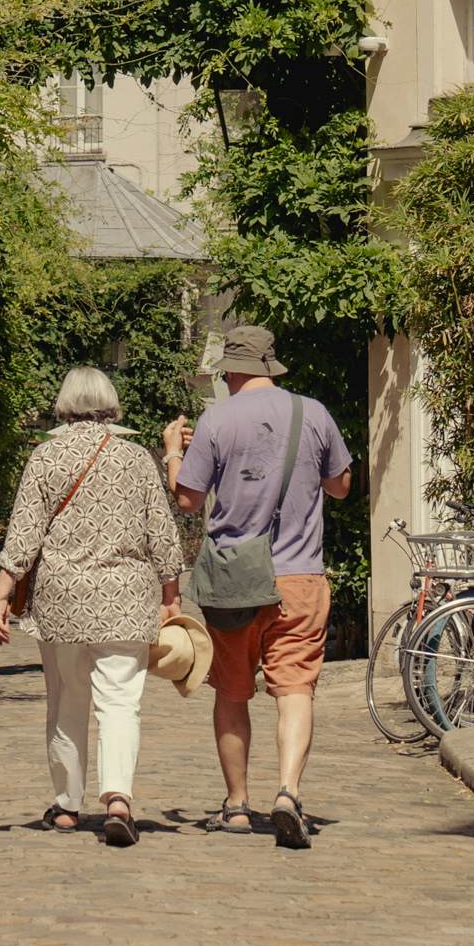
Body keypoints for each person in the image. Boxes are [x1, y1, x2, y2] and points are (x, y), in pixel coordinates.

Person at [164, 325, 353, 850]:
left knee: (232, 690)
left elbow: (188, 501)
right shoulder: (313, 413)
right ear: (271, 367)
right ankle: (288, 793)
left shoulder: (216, 418)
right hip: (300, 576)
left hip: (234, 580)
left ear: (230, 370)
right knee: (294, 690)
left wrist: (173, 455)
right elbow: (340, 487)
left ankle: (236, 806)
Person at [0, 365, 182, 846]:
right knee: (121, 703)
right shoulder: (137, 458)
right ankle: (118, 798)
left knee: (66, 701)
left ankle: (68, 805)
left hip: (63, 600)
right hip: (126, 598)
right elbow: (162, 532)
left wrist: (2, 591)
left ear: (64, 404)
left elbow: (24, 532)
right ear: (110, 403)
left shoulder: (46, 457)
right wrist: (171, 598)